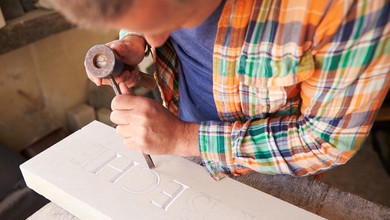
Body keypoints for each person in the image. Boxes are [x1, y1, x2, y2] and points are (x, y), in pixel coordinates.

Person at [48, 0, 389, 180]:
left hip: (276, 168)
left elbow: (325, 142)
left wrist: (184, 138)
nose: (156, 41)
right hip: (181, 139)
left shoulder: (349, 8)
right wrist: (134, 38)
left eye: (171, 20)